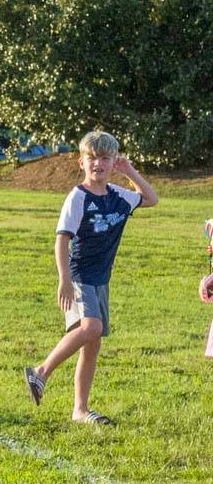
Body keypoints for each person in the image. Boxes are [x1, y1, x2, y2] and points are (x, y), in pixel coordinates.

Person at [23, 131, 158, 424]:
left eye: (105, 158)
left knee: (92, 345)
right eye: (92, 158)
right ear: (80, 162)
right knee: (92, 327)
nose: (98, 163)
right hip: (80, 275)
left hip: (101, 278)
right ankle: (41, 371)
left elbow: (151, 198)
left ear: (113, 163)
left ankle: (80, 410)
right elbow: (61, 240)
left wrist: (130, 171)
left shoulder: (118, 196)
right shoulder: (78, 197)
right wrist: (64, 279)